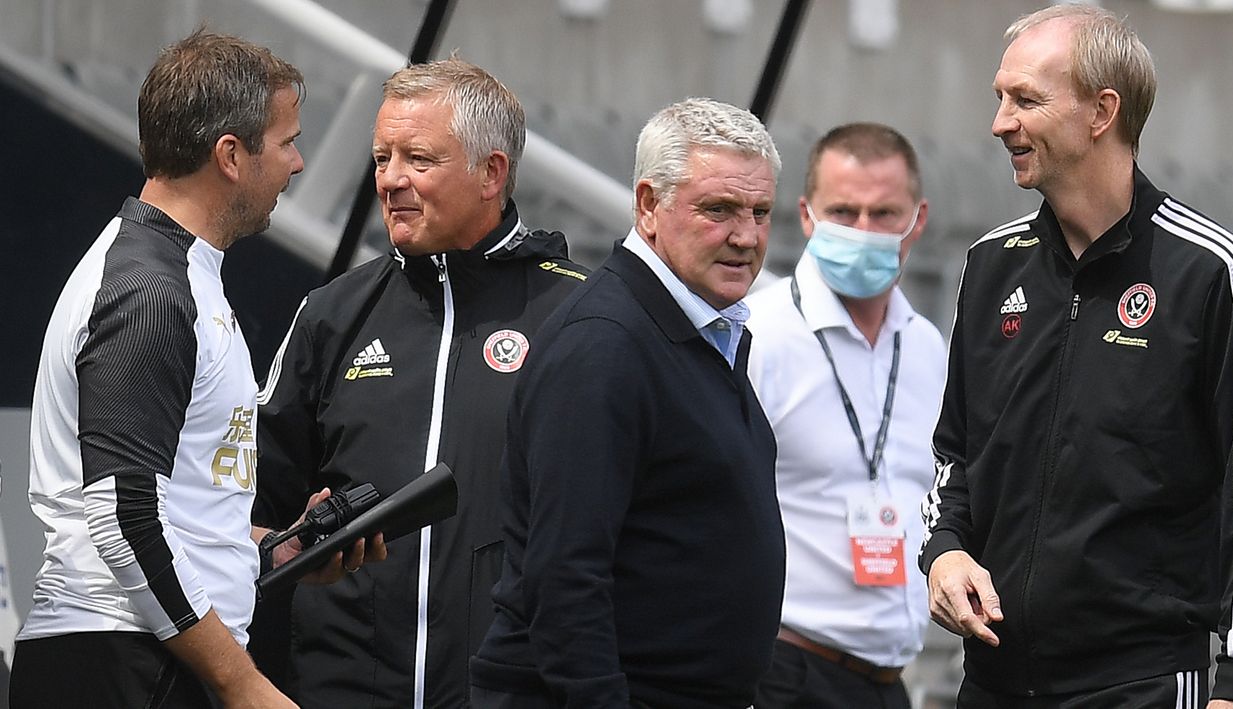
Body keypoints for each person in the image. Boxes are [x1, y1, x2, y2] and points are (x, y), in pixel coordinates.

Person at [920, 5, 1233, 708]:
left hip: (1141, 685)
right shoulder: (989, 266)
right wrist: (946, 550)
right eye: (999, 98)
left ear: (1102, 111)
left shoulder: (1210, 270)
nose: (999, 123)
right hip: (992, 682)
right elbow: (955, 457)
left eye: (1026, 99)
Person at [250, 57, 589, 708]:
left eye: (419, 159)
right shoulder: (331, 314)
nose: (391, 180)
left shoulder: (579, 315)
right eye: (382, 158)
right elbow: (251, 512)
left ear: (491, 172)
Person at [9, 30, 322, 709]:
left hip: (142, 655)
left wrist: (273, 545)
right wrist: (241, 683)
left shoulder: (178, 274)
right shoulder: (151, 290)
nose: (297, 162)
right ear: (231, 156)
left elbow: (170, 499)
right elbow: (122, 513)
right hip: (120, 660)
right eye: (287, 140)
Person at [469, 97, 786, 708]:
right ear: (648, 206)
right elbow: (565, 576)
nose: (746, 236)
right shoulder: (606, 346)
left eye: (760, 212)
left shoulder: (699, 328)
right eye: (718, 209)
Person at [746, 123, 945, 709]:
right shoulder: (760, 337)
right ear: (806, 216)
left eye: (885, 213)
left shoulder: (928, 347)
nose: (864, 231)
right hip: (785, 671)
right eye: (843, 211)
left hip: (888, 680)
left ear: (919, 219)